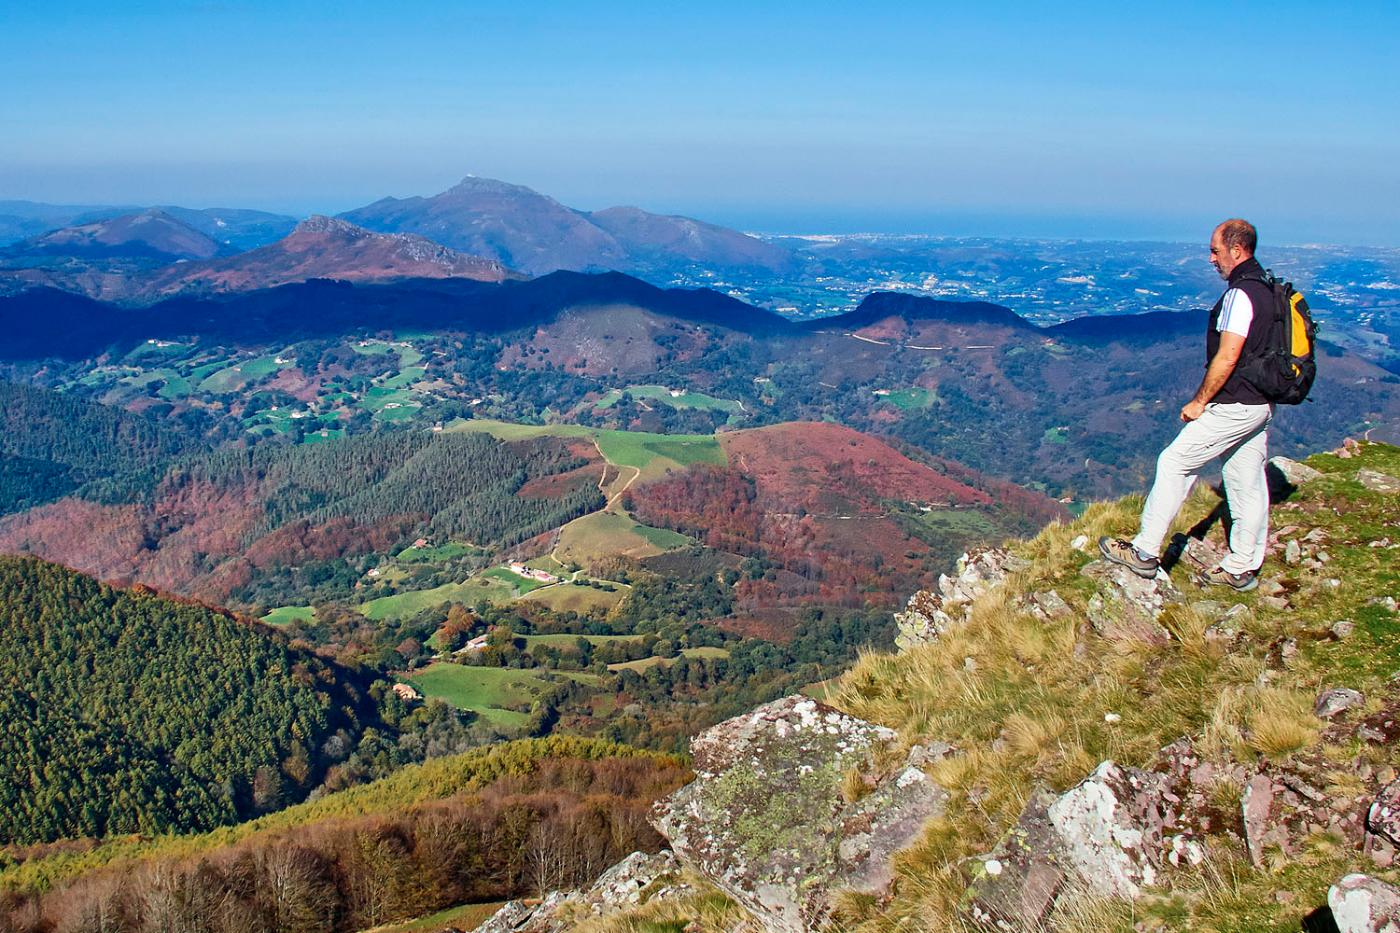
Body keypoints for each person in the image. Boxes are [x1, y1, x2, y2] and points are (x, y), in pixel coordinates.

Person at [1099, 219, 1275, 592]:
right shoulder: (1269, 290)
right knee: (1246, 482)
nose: (1211, 259)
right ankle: (1243, 566)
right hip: (1260, 404)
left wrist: (1199, 402)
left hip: (1234, 405)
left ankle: (1144, 553)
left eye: (1215, 250)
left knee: (1175, 462)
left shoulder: (1240, 296)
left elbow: (1227, 357)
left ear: (1237, 250)